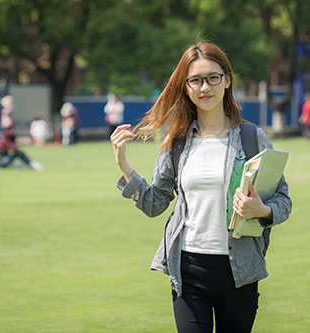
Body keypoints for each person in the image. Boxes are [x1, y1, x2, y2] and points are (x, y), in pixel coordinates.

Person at [110, 42, 292, 332]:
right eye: (195, 79)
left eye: (213, 77)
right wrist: (124, 165)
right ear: (186, 86)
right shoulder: (177, 142)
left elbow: (283, 200)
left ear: (227, 80)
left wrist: (263, 210)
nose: (204, 87)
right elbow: (155, 202)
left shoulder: (252, 138)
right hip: (188, 269)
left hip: (240, 271)